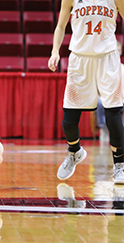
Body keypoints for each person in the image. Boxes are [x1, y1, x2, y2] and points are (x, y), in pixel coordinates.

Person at [48, 0, 124, 183]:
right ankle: (75, 152)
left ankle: (120, 165)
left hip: (108, 58)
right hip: (80, 59)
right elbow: (60, 26)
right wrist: (55, 51)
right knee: (68, 121)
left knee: (113, 114)